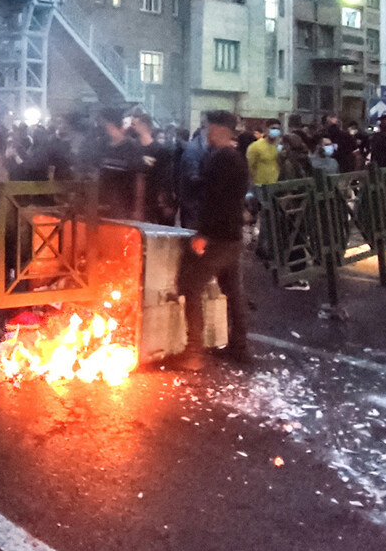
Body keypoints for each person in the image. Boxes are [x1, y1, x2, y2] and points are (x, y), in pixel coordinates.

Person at [166, 110, 252, 371]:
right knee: (233, 291)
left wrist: (203, 233)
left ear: (219, 131)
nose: (207, 133)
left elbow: (215, 201)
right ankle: (240, 346)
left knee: (190, 286)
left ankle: (194, 352)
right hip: (233, 236)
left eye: (209, 129)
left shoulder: (220, 160)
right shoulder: (237, 159)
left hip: (217, 238)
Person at [95, 108, 146, 221]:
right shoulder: (102, 145)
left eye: (104, 123)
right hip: (103, 206)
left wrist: (138, 210)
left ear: (111, 124)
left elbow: (139, 180)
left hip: (124, 207)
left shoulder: (132, 148)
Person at [245, 118, 282, 188]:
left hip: (275, 185)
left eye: (278, 129)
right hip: (260, 185)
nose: (276, 131)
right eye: (273, 128)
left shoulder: (278, 147)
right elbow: (249, 167)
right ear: (265, 129)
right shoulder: (255, 146)